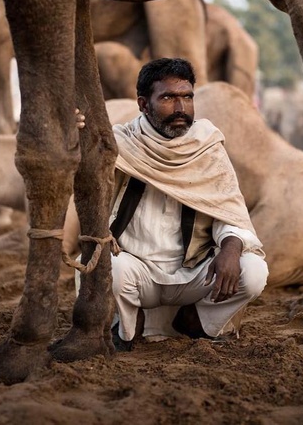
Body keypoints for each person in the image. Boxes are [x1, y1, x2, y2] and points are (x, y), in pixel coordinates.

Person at [79, 57, 268, 351]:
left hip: (195, 273)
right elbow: (81, 168)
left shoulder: (207, 146)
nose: (180, 109)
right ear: (143, 104)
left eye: (187, 97)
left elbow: (229, 210)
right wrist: (77, 132)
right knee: (103, 267)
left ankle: (198, 322)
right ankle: (127, 326)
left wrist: (231, 247)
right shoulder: (120, 144)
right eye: (168, 97)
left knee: (253, 271)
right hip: (135, 271)